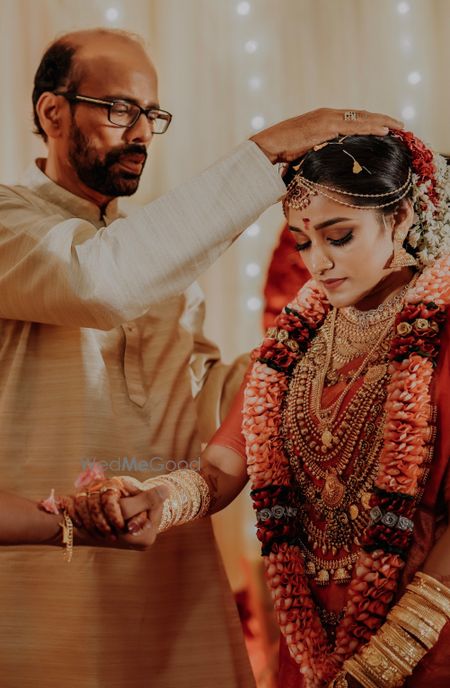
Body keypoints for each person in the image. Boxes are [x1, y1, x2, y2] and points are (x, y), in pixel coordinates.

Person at [0, 25, 401, 688]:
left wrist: (333, 340)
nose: (140, 134)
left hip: (169, 581)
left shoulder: (154, 258)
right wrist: (265, 153)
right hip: (46, 585)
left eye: (151, 115)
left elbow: (205, 405)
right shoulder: (13, 224)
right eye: (119, 110)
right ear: (51, 111)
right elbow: (97, 284)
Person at [87, 130, 450, 688]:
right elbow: (219, 470)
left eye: (340, 236)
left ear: (399, 217)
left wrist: (386, 661)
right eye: (304, 242)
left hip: (424, 642)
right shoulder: (291, 349)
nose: (319, 263)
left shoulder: (441, 333)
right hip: (311, 653)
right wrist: (157, 499)